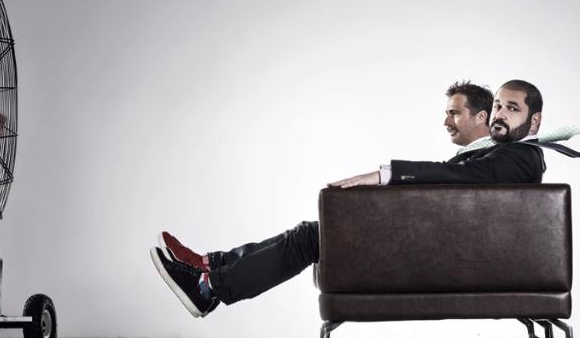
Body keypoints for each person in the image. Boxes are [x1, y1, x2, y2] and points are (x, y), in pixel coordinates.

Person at [151, 79, 548, 318]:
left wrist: (385, 176)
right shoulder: (497, 154)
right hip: (435, 245)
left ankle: (208, 286)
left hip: (442, 256)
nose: (500, 114)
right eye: (499, 105)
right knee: (311, 232)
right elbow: (454, 191)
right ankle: (210, 268)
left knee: (310, 236)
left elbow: (459, 180)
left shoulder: (521, 156)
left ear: (534, 121)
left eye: (511, 108)